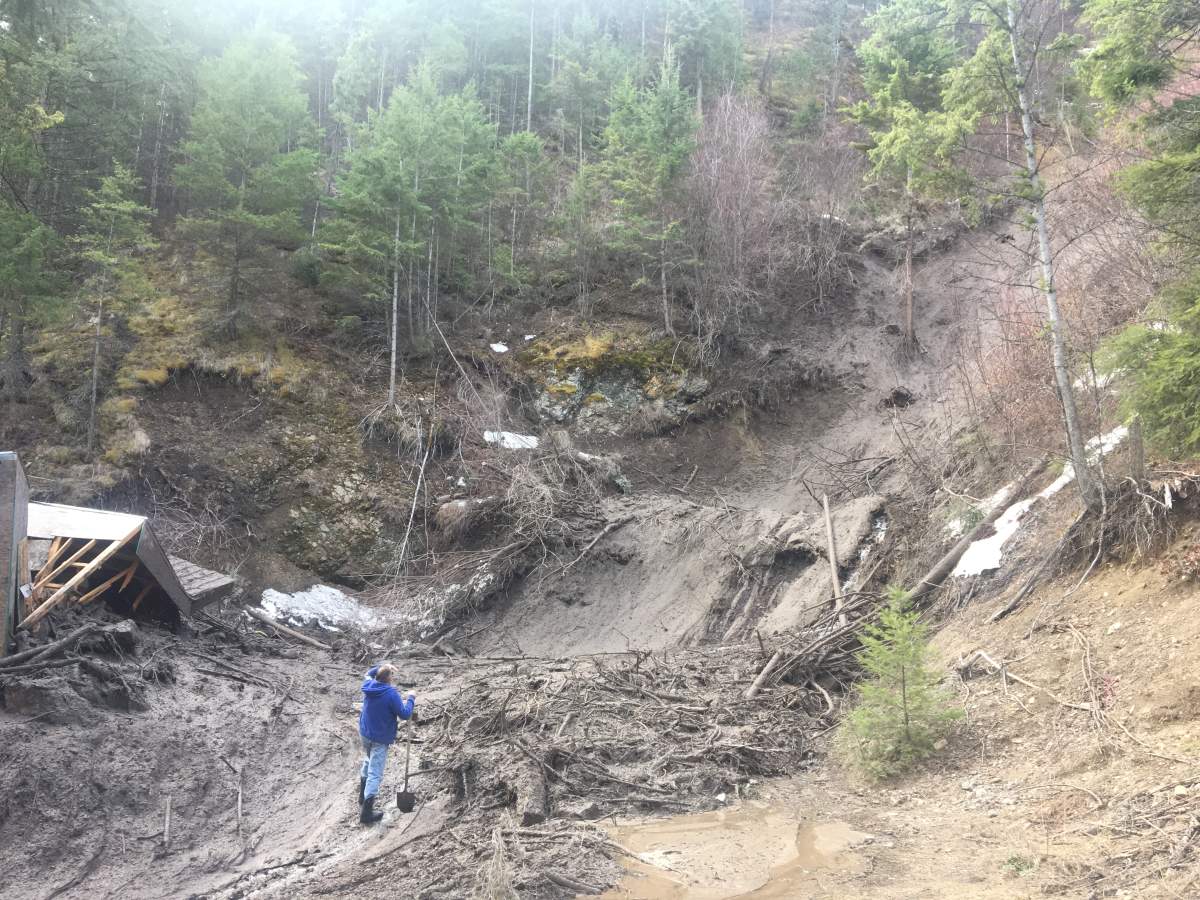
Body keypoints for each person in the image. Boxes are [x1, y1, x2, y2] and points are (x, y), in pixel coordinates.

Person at [357, 662, 415, 824]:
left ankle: (362, 796)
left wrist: (383, 666)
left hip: (365, 733)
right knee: (375, 773)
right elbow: (405, 714)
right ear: (389, 679)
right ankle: (366, 813)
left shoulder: (369, 684)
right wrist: (411, 697)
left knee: (368, 759)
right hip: (379, 737)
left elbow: (368, 672)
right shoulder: (391, 694)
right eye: (391, 675)